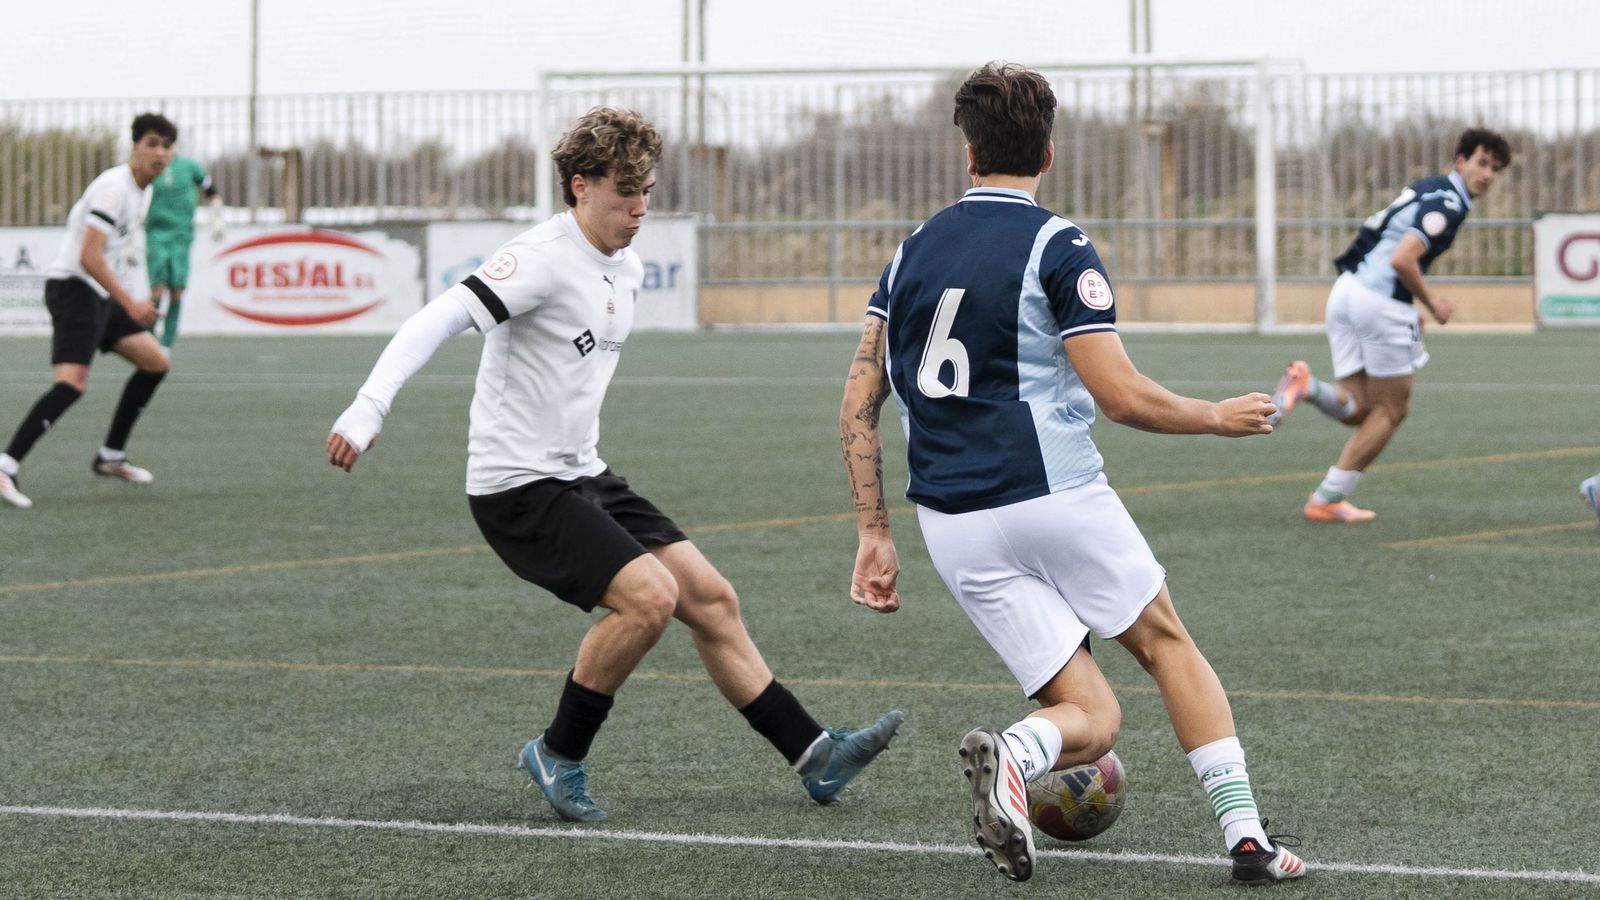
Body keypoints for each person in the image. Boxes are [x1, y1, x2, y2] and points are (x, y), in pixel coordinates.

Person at [327, 107, 902, 823]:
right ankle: (558, 753)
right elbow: (434, 319)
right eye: (624, 192)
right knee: (651, 599)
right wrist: (369, 404)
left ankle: (814, 754)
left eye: (648, 191)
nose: (639, 208)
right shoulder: (538, 258)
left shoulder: (624, 265)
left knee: (712, 599)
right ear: (579, 186)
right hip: (518, 487)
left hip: (584, 475)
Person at [840, 63, 1305, 885]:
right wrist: (1215, 415)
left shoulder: (910, 250)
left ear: (969, 151)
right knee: (1165, 644)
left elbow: (856, 401)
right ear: (1048, 153)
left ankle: (1017, 755)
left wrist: (874, 532)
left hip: (951, 525)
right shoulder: (1058, 244)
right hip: (1052, 495)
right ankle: (1246, 841)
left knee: (1092, 716)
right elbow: (1120, 397)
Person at [1267, 128, 1512, 522]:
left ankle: (1307, 386)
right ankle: (1328, 497)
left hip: (1347, 290)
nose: (1488, 174)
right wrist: (1430, 305)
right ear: (1461, 160)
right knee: (1393, 409)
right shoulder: (1449, 204)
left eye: (1496, 169)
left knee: (1360, 407)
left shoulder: (1428, 188)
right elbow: (1402, 259)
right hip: (1380, 302)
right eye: (1482, 163)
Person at [0, 113, 175, 510]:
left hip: (99, 294)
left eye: (166, 145)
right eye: (152, 143)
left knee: (155, 362)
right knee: (71, 384)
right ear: (134, 147)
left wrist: (132, 297)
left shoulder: (141, 191)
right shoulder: (114, 189)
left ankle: (111, 455)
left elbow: (111, 256)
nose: (160, 152)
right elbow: (90, 256)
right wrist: (130, 302)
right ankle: (5, 466)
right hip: (73, 288)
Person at [146, 149, 222, 350]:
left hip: (181, 236)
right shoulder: (151, 167)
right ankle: (147, 343)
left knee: (177, 291)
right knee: (157, 290)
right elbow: (138, 196)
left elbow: (211, 190)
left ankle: (166, 347)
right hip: (157, 234)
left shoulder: (190, 167)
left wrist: (217, 215)